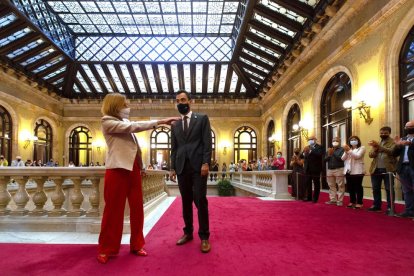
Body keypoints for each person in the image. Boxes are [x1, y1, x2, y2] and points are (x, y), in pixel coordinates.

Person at [97, 93, 178, 264]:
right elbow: (134, 127)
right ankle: (106, 248)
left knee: (137, 209)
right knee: (113, 211)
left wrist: (141, 167)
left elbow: (135, 147)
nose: (128, 106)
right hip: (117, 169)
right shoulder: (107, 121)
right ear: (115, 106)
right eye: (125, 104)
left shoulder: (125, 122)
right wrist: (160, 122)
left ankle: (137, 244)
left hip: (133, 170)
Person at [170, 90, 212, 253]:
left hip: (198, 167)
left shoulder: (202, 119)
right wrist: (172, 167)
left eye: (183, 99)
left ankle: (204, 237)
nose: (180, 103)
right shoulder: (175, 124)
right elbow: (174, 148)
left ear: (190, 101)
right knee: (185, 201)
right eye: (178, 101)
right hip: (182, 168)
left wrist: (206, 163)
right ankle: (188, 233)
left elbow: (207, 142)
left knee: (200, 200)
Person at [368, 126, 397, 214]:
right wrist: (375, 149)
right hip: (375, 169)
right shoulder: (378, 142)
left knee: (389, 189)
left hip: (388, 169)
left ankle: (390, 207)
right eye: (381, 133)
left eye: (385, 133)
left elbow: (392, 152)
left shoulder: (393, 142)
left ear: (389, 133)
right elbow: (370, 155)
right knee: (375, 188)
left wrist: (379, 147)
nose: (383, 134)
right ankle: (376, 205)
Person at [393, 121, 414, 218]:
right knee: (406, 190)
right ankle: (409, 211)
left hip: (413, 166)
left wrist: (410, 144)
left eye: (411, 126)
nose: (408, 128)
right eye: (407, 126)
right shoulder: (402, 139)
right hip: (403, 167)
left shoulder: (407, 140)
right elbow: (394, 153)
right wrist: (397, 145)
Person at [342, 136, 366, 209]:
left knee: (358, 187)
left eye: (355, 140)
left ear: (358, 141)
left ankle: (359, 202)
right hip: (348, 170)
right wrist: (346, 152)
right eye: (351, 140)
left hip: (358, 170)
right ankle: (352, 201)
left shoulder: (362, 148)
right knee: (350, 187)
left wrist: (349, 151)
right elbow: (342, 158)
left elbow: (357, 156)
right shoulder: (348, 149)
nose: (353, 141)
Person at [303, 135, 324, 203]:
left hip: (316, 168)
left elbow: (320, 154)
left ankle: (315, 198)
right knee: (308, 183)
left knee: (316, 183)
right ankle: (308, 197)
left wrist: (311, 151)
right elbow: (302, 155)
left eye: (311, 139)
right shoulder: (307, 147)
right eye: (309, 139)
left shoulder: (319, 147)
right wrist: (304, 153)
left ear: (315, 139)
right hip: (307, 168)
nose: (310, 140)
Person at [324, 137, 345, 206]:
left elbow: (341, 159)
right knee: (331, 185)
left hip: (339, 169)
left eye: (337, 140)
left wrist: (333, 153)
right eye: (333, 141)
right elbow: (325, 159)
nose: (335, 141)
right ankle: (333, 200)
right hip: (330, 169)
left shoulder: (342, 149)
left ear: (339, 142)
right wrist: (329, 155)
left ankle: (340, 201)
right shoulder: (329, 149)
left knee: (340, 185)